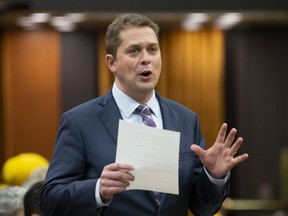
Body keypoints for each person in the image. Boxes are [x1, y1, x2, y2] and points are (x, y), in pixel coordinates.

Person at [39, 13, 249, 216]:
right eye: (134, 51)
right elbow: (49, 201)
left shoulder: (186, 119)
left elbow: (203, 208)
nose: (146, 59)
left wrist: (213, 176)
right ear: (111, 62)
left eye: (152, 49)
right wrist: (97, 190)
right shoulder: (79, 122)